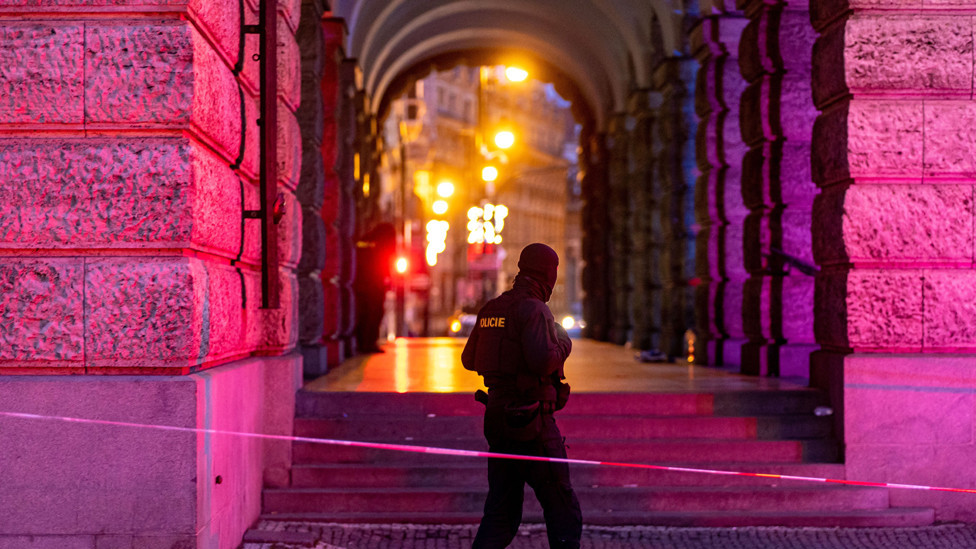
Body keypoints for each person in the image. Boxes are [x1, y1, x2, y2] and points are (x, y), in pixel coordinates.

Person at [462, 243, 582, 549]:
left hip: (498, 418)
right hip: (532, 422)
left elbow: (469, 358)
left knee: (501, 513)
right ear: (548, 273)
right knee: (562, 507)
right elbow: (544, 360)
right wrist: (564, 343)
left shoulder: (492, 308)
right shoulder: (535, 310)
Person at [353, 222, 396, 353]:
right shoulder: (375, 247)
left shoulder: (370, 244)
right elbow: (380, 266)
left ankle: (367, 342)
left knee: (372, 313)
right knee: (372, 313)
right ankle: (367, 343)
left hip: (371, 286)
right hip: (371, 287)